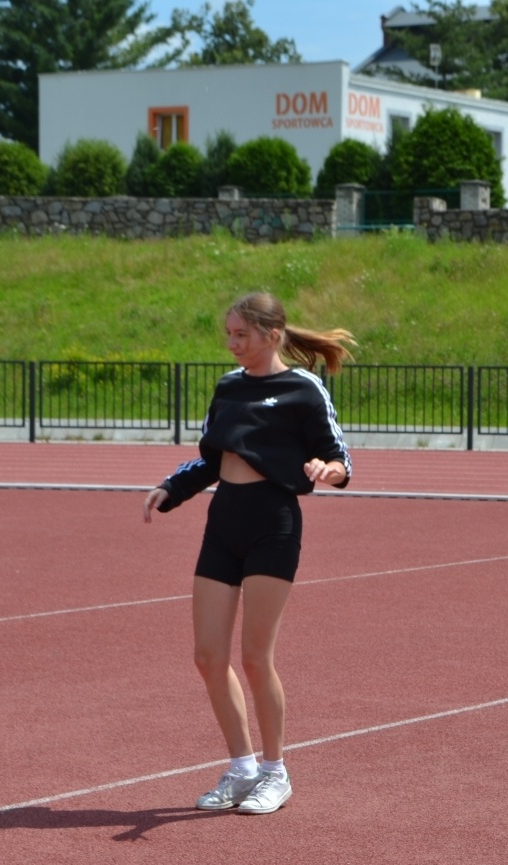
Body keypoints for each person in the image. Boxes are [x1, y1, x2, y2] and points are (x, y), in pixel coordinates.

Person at [143, 291, 354, 817]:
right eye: (229, 334)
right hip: (224, 522)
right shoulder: (228, 386)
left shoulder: (303, 389)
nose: (232, 343)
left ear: (271, 335)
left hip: (272, 524)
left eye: (242, 334)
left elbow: (338, 458)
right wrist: (171, 487)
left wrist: (328, 472)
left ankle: (275, 772)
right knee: (207, 656)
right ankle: (241, 769)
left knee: (256, 658)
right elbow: (210, 459)